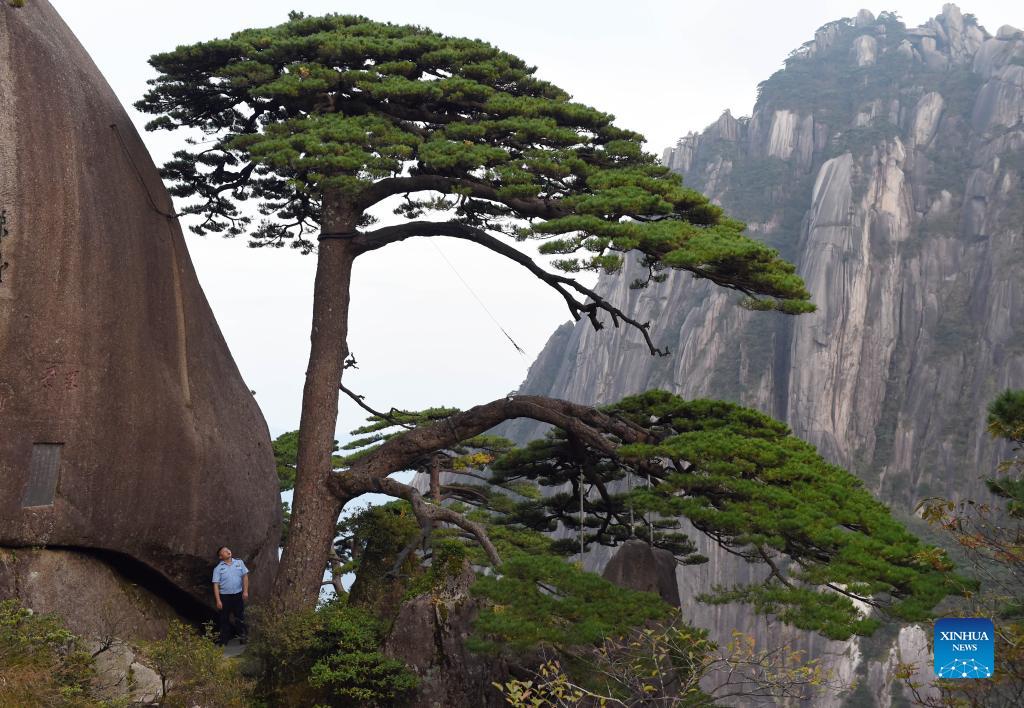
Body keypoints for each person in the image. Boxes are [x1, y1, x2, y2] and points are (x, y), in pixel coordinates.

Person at [212, 545, 249, 645]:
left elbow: (245, 576)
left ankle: (243, 638)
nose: (227, 551)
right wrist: (218, 600)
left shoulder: (239, 562)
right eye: (224, 551)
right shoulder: (218, 568)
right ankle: (224, 641)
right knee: (224, 619)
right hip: (225, 597)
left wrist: (245, 591)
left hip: (237, 595)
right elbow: (216, 585)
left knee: (240, 617)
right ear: (221, 557)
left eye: (227, 549)